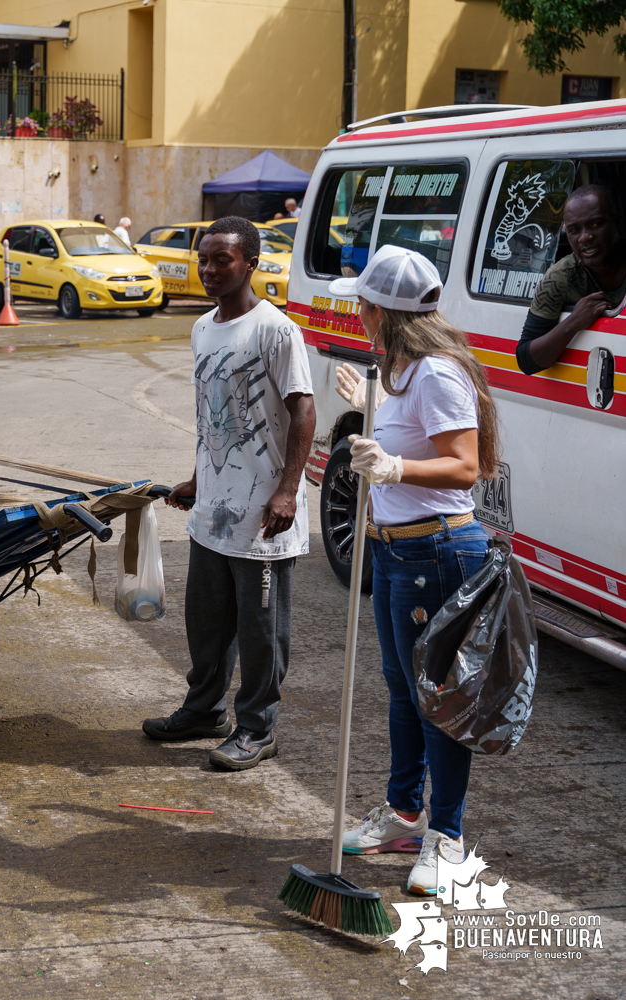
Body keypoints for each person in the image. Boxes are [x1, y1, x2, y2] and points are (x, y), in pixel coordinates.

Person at [328, 245, 498, 896]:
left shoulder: (436, 372)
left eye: (363, 305)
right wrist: (371, 413)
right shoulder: (396, 367)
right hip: (397, 551)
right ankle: (403, 815)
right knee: (403, 689)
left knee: (440, 703)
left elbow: (466, 465)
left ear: (383, 312)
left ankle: (446, 837)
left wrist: (393, 469)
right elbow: (406, 439)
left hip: (439, 554)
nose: (358, 314)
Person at [146, 215, 315, 770]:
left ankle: (258, 728)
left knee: (262, 629)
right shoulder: (201, 328)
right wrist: (198, 477)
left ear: (251, 263)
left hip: (264, 514)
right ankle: (203, 711)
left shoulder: (277, 330)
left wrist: (288, 491)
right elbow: (209, 419)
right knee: (206, 621)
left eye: (224, 259)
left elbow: (303, 412)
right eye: (205, 259)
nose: (211, 269)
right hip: (213, 510)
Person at [516, 184, 626, 374]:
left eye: (595, 224)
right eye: (574, 230)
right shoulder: (560, 278)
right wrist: (574, 322)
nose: (584, 238)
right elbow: (526, 360)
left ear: (618, 223)